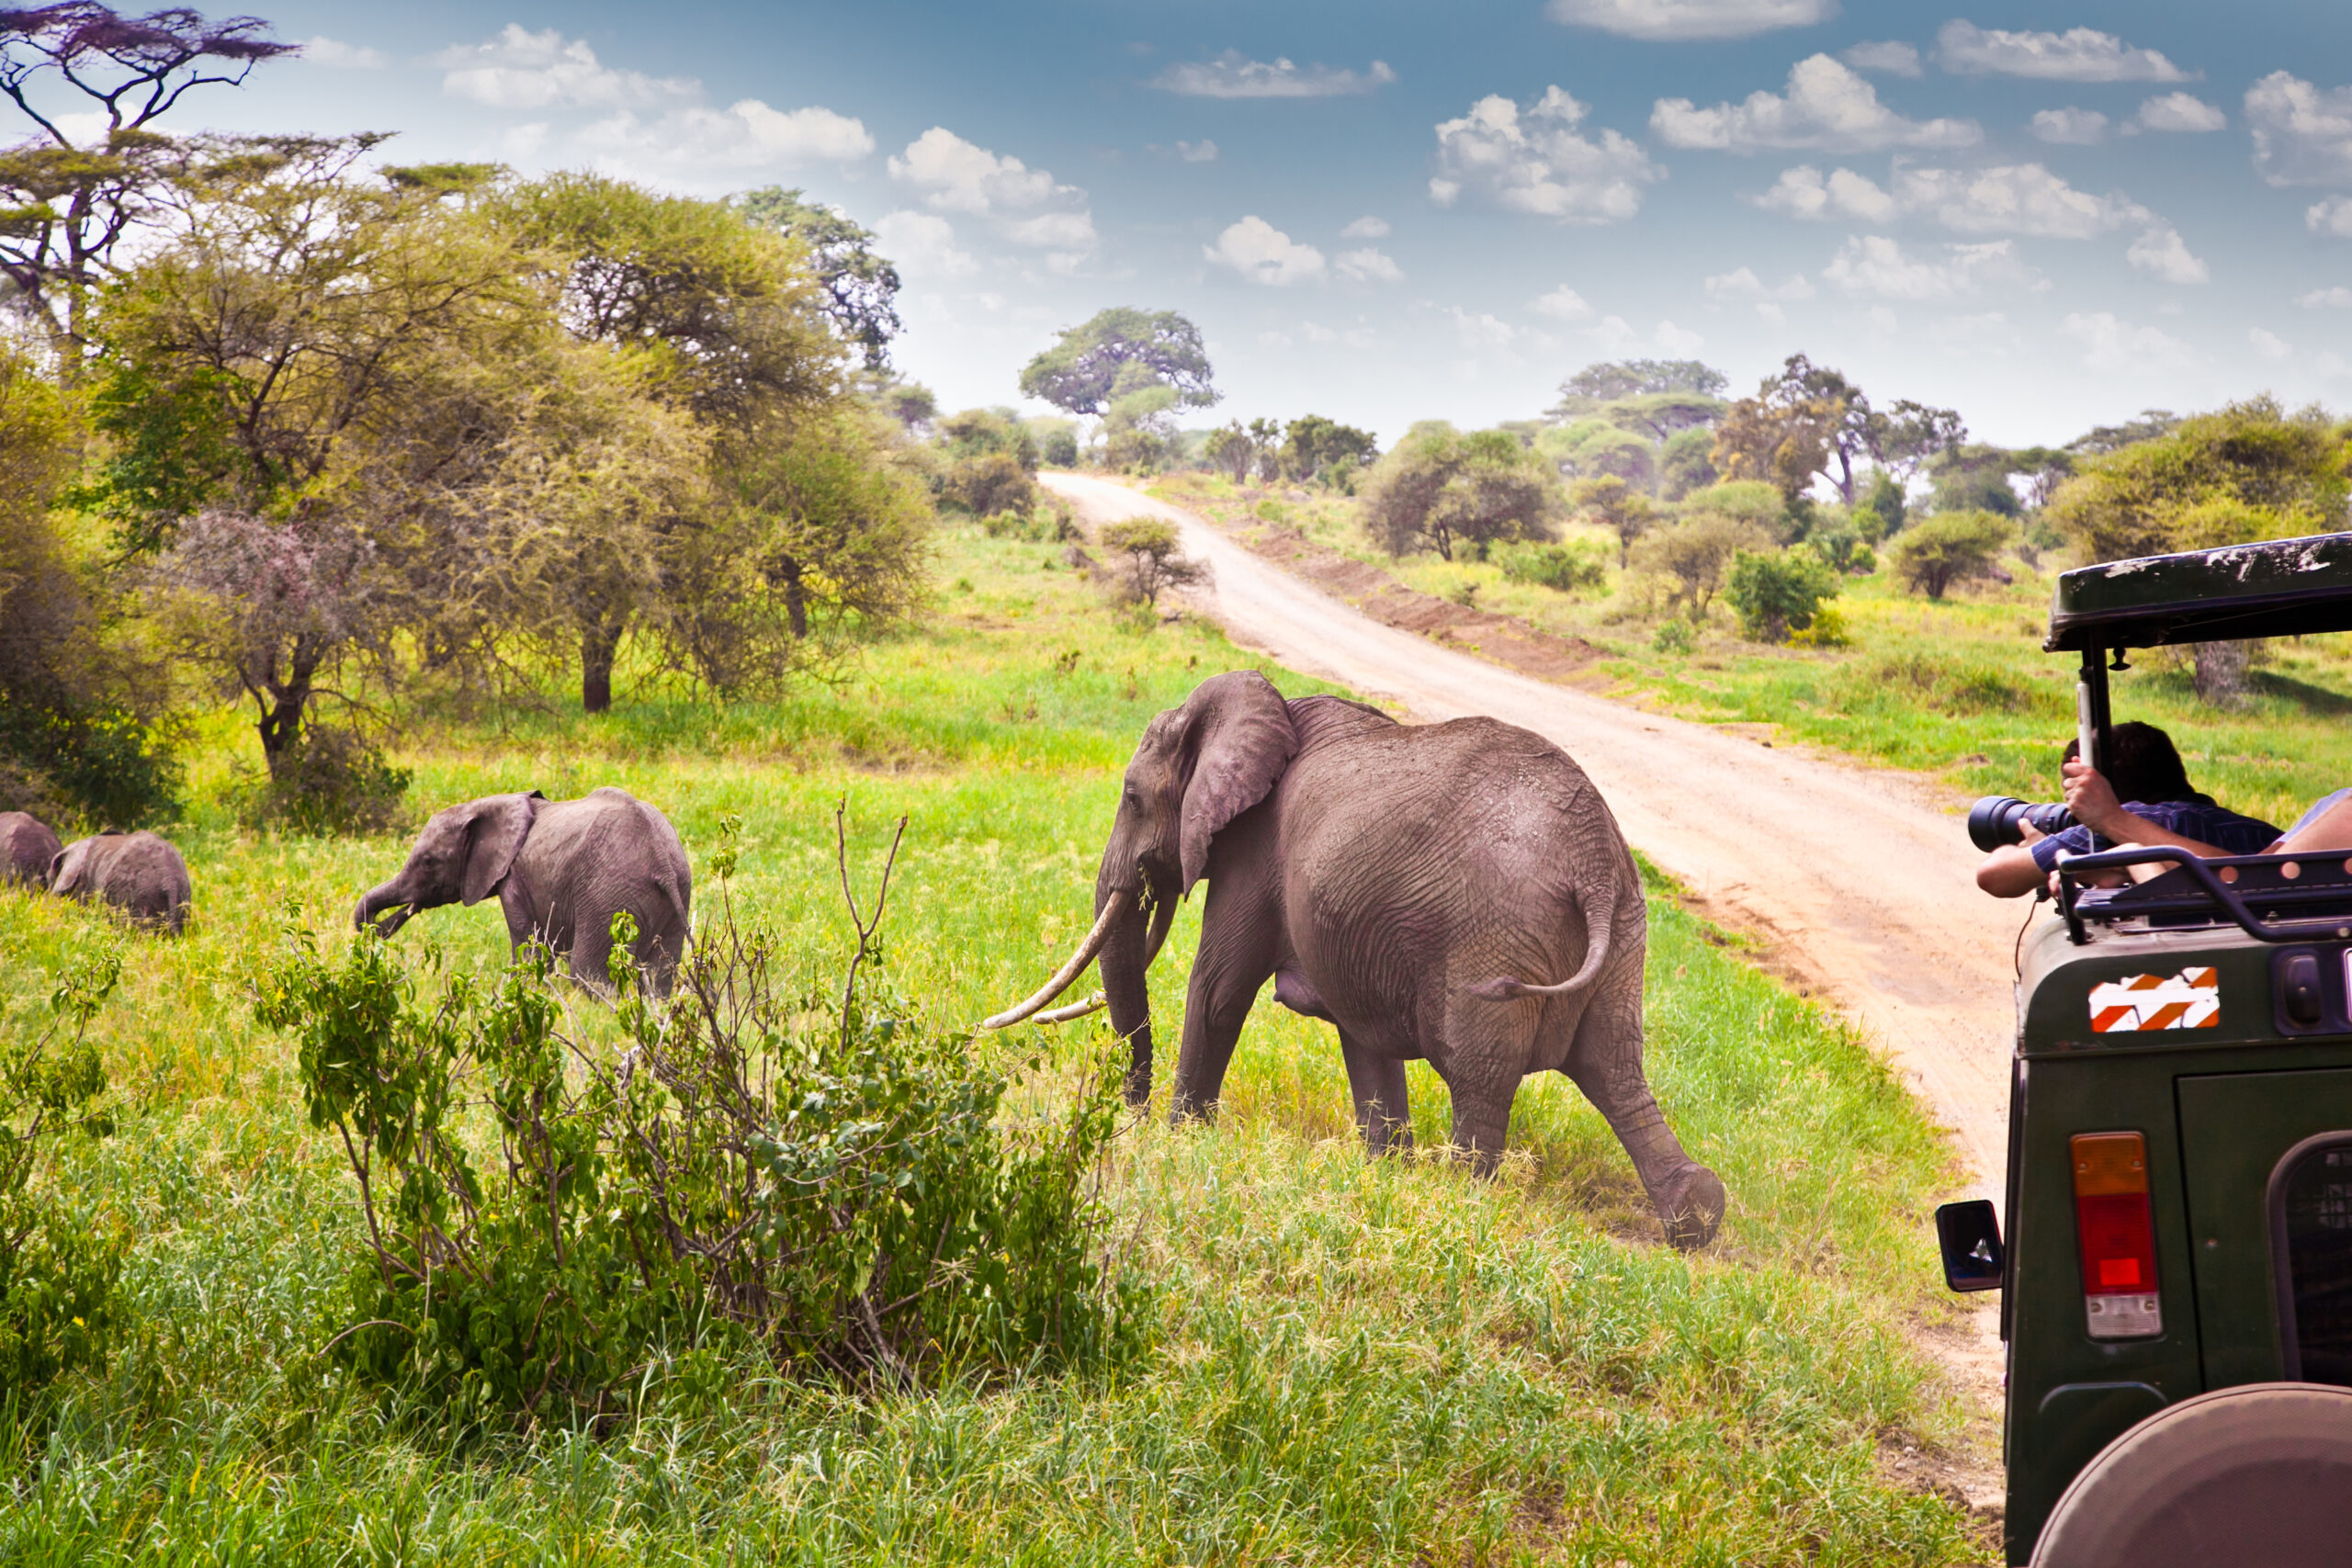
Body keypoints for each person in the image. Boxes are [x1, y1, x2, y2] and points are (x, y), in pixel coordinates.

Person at [1976, 722, 2283, 898]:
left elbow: (1993, 876)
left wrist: (2039, 847)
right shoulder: (2263, 834)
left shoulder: (2120, 825)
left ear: (2100, 794)